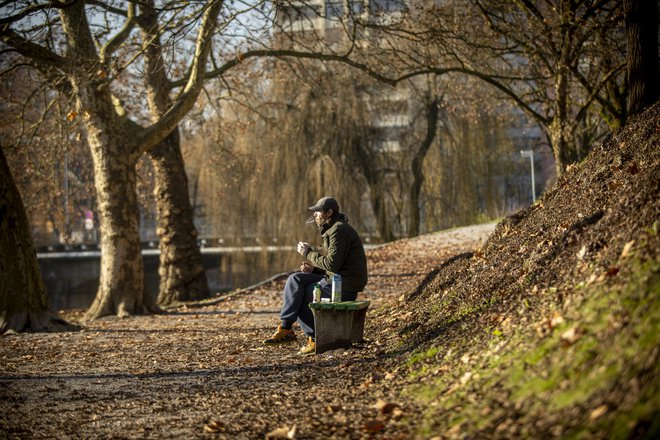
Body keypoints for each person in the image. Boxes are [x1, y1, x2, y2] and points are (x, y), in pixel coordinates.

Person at [264, 196, 368, 354]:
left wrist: (307, 253)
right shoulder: (333, 229)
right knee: (296, 279)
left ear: (329, 213)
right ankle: (286, 327)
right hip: (336, 279)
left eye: (318, 212)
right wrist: (314, 270)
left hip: (344, 285)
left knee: (304, 293)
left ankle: (313, 337)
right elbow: (335, 266)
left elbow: (332, 264)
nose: (315, 215)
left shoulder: (339, 230)